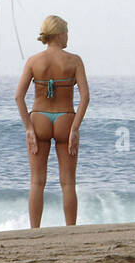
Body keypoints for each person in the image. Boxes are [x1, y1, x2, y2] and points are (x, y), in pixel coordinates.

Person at [16, 15, 90, 227]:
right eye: (66, 32)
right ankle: (70, 229)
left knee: (37, 182)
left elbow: (18, 97)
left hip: (39, 119)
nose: (68, 36)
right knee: (68, 183)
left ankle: (34, 231)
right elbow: (85, 97)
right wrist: (75, 128)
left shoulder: (33, 61)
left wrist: (29, 128)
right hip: (65, 119)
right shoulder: (74, 60)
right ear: (58, 35)